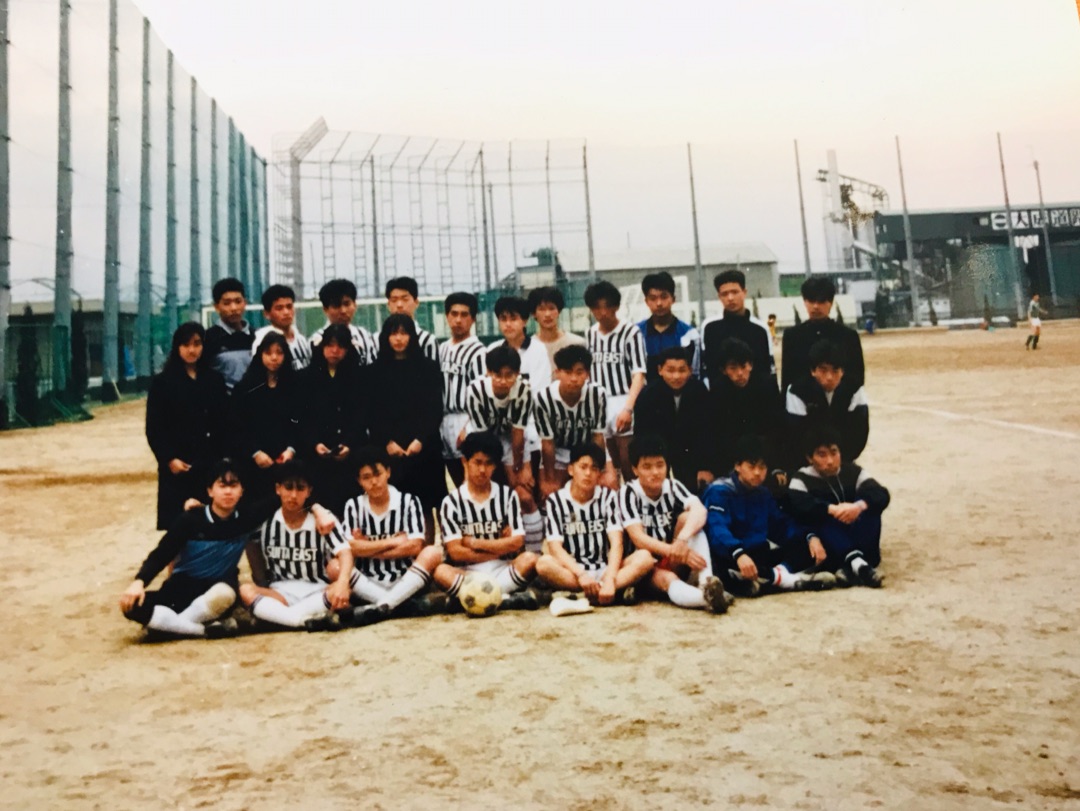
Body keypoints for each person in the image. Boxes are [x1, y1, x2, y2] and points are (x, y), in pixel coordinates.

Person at [119, 458, 335, 638]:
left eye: (234, 486)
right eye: (222, 485)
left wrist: (318, 510)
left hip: (218, 589)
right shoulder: (190, 520)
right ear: (210, 491)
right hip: (182, 587)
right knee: (131, 606)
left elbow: (293, 497)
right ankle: (200, 630)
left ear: (242, 491)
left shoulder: (247, 517)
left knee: (225, 593)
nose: (228, 492)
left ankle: (170, 626)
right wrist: (139, 582)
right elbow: (161, 553)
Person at [701, 436, 835, 597]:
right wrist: (738, 553)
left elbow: (781, 524)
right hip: (731, 554)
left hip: (758, 554)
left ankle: (770, 579)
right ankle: (789, 581)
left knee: (808, 548)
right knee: (724, 569)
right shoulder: (719, 491)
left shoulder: (762, 493)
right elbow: (717, 528)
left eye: (762, 467)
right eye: (751, 466)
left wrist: (810, 537)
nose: (757, 472)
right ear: (738, 466)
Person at [618, 436, 729, 613]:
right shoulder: (628, 492)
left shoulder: (672, 486)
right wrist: (674, 550)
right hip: (642, 565)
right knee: (666, 577)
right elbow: (638, 538)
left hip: (672, 556)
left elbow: (700, 510)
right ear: (635, 469)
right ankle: (707, 598)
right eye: (647, 467)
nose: (655, 472)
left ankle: (707, 582)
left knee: (688, 519)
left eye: (660, 465)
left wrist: (682, 540)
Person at [240, 461, 355, 632]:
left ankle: (279, 618)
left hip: (319, 592)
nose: (293, 495)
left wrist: (343, 583)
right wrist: (262, 581)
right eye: (288, 488)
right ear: (278, 489)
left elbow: (345, 552)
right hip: (280, 593)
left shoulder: (322, 520)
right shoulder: (266, 523)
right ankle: (304, 621)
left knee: (341, 589)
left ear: (309, 491)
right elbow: (251, 544)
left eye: (300, 489)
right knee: (246, 590)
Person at [535, 443, 655, 605]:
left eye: (594, 468)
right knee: (543, 564)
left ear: (599, 473)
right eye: (583, 467)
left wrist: (610, 578)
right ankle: (610, 593)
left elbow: (616, 542)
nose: (588, 473)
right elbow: (555, 548)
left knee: (645, 558)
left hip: (606, 569)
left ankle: (586, 594)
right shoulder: (556, 501)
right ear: (571, 470)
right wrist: (581, 574)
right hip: (574, 572)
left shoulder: (608, 497)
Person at [336, 446, 443, 624]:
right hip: (367, 581)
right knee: (334, 566)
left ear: (388, 472)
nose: (374, 482)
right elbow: (350, 548)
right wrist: (394, 541)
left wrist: (367, 547)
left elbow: (415, 546)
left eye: (378, 474)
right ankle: (400, 605)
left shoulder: (408, 501)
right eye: (366, 477)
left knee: (432, 552)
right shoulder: (353, 506)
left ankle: (381, 606)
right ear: (359, 481)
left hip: (406, 578)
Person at [434, 432, 540, 610]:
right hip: (468, 571)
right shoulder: (451, 502)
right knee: (440, 572)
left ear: (495, 466)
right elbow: (456, 552)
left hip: (502, 567)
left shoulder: (507, 496)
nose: (482, 470)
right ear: (465, 462)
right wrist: (500, 547)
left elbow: (517, 542)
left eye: (488, 463)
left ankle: (472, 599)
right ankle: (504, 598)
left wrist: (473, 542)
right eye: (477, 462)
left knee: (529, 559)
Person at [366, 314, 445, 543]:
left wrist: (420, 440)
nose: (399, 339)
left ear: (412, 336)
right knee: (396, 504)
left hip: (423, 447)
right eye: (394, 333)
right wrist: (387, 442)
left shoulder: (428, 367)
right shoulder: (374, 371)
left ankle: (428, 550)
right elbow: (372, 413)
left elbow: (434, 408)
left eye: (404, 333)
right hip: (390, 449)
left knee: (427, 504)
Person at [145, 323, 228, 530]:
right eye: (186, 344)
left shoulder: (214, 380)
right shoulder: (162, 383)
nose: (192, 350)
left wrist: (220, 457)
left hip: (209, 463)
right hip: (177, 466)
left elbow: (223, 422)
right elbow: (154, 427)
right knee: (177, 527)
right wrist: (169, 459)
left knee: (211, 525)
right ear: (177, 347)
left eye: (197, 344)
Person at [787, 426, 890, 588]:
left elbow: (881, 494)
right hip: (831, 544)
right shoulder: (801, 479)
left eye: (834, 453)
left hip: (859, 538)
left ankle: (850, 567)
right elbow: (799, 506)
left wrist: (857, 507)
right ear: (809, 458)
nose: (830, 461)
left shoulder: (853, 472)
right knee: (822, 518)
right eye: (822, 455)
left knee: (870, 505)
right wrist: (833, 509)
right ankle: (861, 566)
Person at [464, 345, 544, 552]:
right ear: (488, 372)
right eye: (497, 374)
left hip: (512, 438)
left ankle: (534, 553)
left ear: (517, 373)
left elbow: (517, 434)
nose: (502, 380)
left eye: (509, 375)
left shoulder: (523, 389)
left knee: (523, 494)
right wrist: (497, 469)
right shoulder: (475, 390)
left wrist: (518, 468)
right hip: (484, 437)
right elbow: (483, 439)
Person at [298, 323, 366, 514]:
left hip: (349, 451)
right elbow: (303, 417)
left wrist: (349, 443)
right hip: (317, 453)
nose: (335, 351)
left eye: (341, 346)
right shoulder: (306, 377)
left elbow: (361, 414)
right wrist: (315, 443)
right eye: (330, 345)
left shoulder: (358, 376)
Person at [584, 280, 648, 482]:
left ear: (616, 307)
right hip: (599, 401)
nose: (602, 312)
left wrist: (628, 408)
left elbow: (639, 373)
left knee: (627, 460)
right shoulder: (590, 334)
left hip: (623, 399)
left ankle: (632, 496)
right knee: (607, 463)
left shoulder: (631, 332)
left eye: (607, 307)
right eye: (597, 307)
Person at [533, 345, 612, 499]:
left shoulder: (598, 394)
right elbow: (547, 443)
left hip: (589, 449)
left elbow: (598, 437)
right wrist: (550, 478)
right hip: (558, 452)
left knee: (608, 484)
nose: (574, 378)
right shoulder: (543, 398)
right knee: (550, 493)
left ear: (588, 374)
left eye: (579, 372)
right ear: (557, 373)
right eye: (568, 372)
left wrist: (600, 471)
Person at [230, 331, 301, 501]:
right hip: (254, 462)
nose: (274, 358)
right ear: (260, 354)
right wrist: (255, 453)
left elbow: (300, 421)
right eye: (268, 353)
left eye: (279, 353)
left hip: (287, 460)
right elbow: (236, 425)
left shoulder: (295, 385)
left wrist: (291, 450)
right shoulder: (245, 387)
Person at [633, 346, 715, 491]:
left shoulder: (699, 391)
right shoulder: (648, 395)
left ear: (690, 370)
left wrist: (705, 467)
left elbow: (706, 432)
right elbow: (641, 435)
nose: (676, 376)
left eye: (682, 370)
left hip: (689, 452)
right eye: (670, 370)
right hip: (658, 452)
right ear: (660, 370)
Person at [784, 339, 869, 470]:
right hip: (807, 463)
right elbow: (797, 434)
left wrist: (838, 463)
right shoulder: (797, 391)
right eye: (823, 370)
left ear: (842, 371)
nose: (829, 377)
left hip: (844, 461)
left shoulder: (855, 389)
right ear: (813, 371)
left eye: (835, 371)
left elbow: (859, 433)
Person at [710, 338, 785, 475]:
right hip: (731, 458)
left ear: (751, 365)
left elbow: (777, 428)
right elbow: (718, 433)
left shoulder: (767, 385)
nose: (740, 373)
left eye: (743, 366)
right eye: (733, 368)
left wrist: (775, 466)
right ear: (724, 370)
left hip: (765, 454)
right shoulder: (718, 390)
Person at [781, 276, 864, 392]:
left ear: (831, 303)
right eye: (811, 301)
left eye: (821, 301)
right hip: (803, 399)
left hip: (840, 399)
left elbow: (857, 377)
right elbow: (788, 379)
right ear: (804, 302)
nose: (816, 306)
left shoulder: (848, 336)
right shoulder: (792, 336)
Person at [439, 292, 487, 486]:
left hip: (465, 419)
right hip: (444, 420)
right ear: (447, 316)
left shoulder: (479, 352)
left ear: (473, 319)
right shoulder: (442, 348)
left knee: (472, 481)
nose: (458, 320)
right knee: (456, 482)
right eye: (454, 314)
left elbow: (482, 395)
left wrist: (469, 428)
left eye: (464, 315)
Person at [701, 269, 775, 391]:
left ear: (744, 292)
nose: (730, 298)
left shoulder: (760, 329)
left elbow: (767, 369)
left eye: (735, 292)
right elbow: (709, 368)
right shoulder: (710, 328)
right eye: (725, 294)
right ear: (719, 297)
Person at [637, 271, 700, 382]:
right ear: (646, 301)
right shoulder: (636, 333)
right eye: (653, 298)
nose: (659, 303)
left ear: (673, 299)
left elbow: (695, 373)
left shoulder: (689, 335)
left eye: (664, 297)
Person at [309, 278, 378, 366]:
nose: (343, 311)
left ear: (355, 305)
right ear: (325, 309)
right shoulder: (317, 341)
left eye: (347, 304)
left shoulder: (365, 337)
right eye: (336, 305)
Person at [203, 278, 254, 392]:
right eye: (227, 303)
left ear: (245, 303)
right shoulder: (207, 339)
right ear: (216, 307)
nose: (233, 308)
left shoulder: (258, 337)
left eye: (238, 301)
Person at [251, 284, 312, 370]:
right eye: (279, 308)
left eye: (289, 306)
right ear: (266, 314)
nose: (286, 312)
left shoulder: (301, 340)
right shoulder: (262, 341)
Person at [527, 286, 586, 371]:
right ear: (534, 314)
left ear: (559, 311)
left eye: (552, 308)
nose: (547, 314)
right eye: (542, 309)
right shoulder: (528, 347)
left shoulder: (577, 343)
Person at [385, 276, 439, 362]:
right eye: (394, 300)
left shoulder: (427, 340)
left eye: (405, 299)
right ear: (388, 304)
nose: (399, 305)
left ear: (416, 302)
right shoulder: (376, 340)